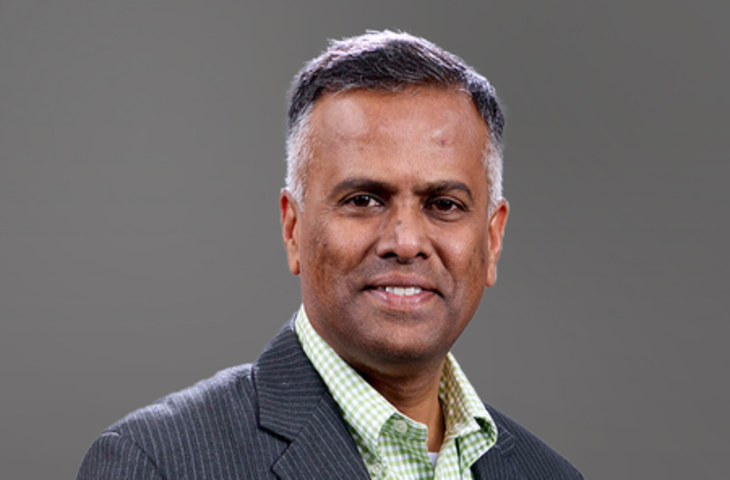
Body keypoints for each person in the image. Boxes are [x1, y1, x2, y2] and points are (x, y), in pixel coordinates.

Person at [78, 30, 583, 479]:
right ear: (293, 228)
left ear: (492, 240)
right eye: (363, 200)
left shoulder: (549, 474)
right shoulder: (157, 463)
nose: (406, 242)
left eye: (443, 205)